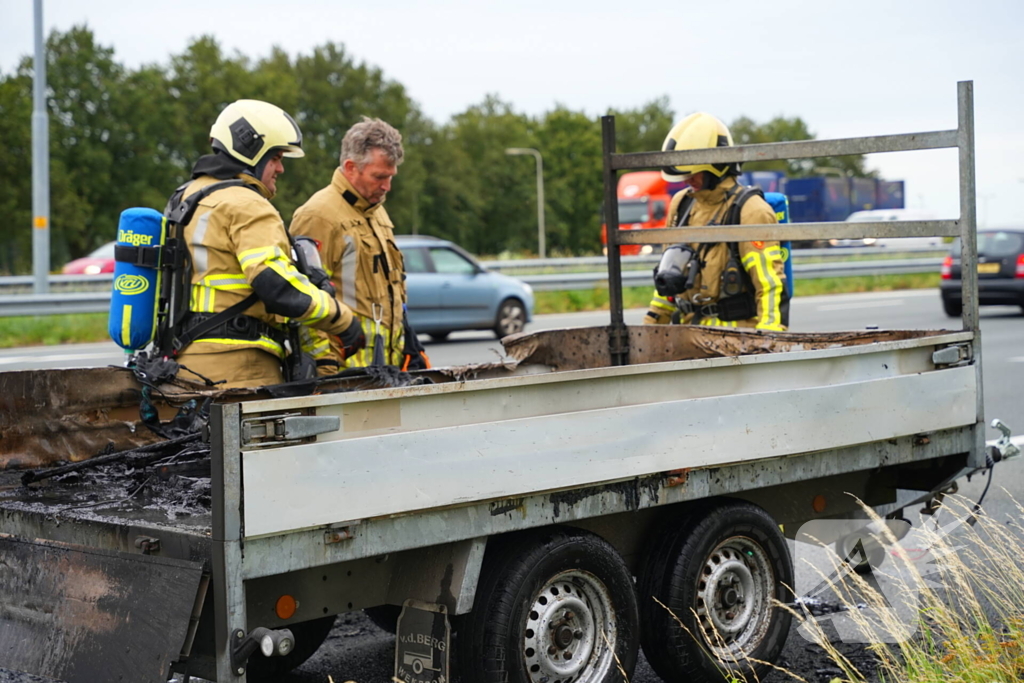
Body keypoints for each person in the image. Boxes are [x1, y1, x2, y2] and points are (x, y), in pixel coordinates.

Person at [169, 99, 365, 389]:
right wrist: (343, 320)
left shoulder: (186, 197)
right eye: (275, 158)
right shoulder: (248, 204)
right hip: (240, 367)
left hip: (183, 362)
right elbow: (278, 286)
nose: (280, 169)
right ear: (251, 152)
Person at [290, 117, 428, 373]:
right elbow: (304, 302)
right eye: (379, 177)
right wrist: (325, 371)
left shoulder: (377, 212)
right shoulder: (318, 216)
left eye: (390, 177)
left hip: (387, 371)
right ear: (351, 167)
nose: (387, 187)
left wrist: (411, 347)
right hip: (344, 375)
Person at [642, 112, 789, 331]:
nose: (687, 179)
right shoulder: (682, 205)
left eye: (694, 172)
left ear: (716, 166)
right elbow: (669, 281)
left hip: (737, 341)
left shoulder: (751, 211)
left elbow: (769, 286)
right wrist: (648, 332)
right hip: (688, 336)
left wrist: (769, 343)